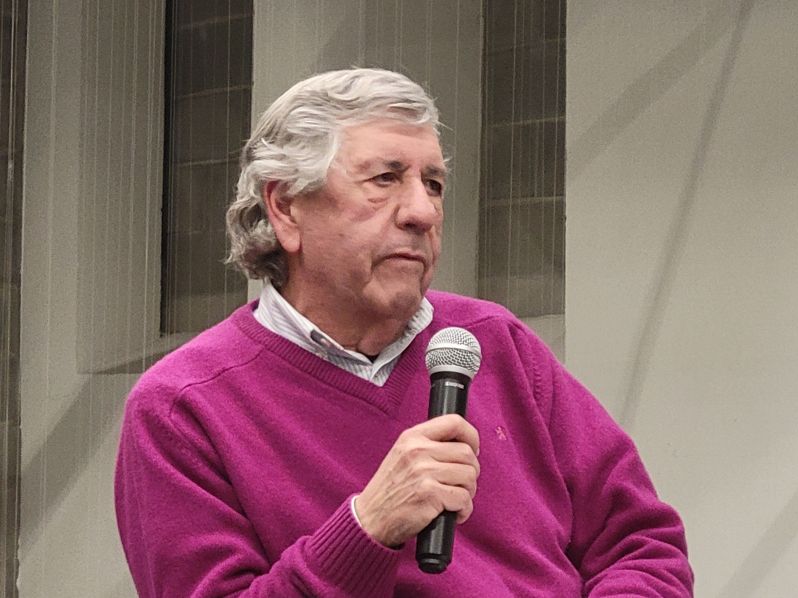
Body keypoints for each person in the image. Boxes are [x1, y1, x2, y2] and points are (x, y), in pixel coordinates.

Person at [115, 68, 693, 597]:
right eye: (386, 178)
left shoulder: (494, 341)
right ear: (286, 207)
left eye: (433, 184)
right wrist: (367, 527)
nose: (422, 212)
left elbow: (643, 545)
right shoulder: (182, 408)